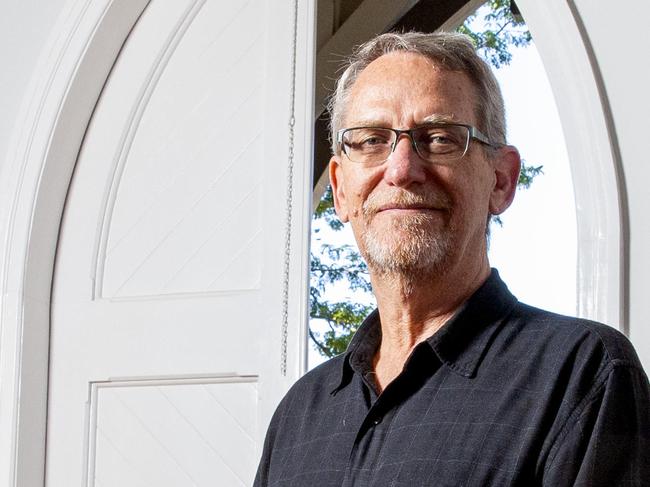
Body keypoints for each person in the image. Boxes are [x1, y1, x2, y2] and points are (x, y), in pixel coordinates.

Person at [254, 32, 650, 486]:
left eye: (440, 138)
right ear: (341, 189)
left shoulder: (582, 376)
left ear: (501, 180)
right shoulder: (300, 413)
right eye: (371, 140)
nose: (401, 168)